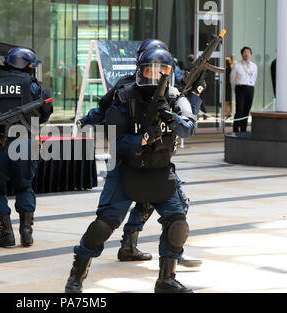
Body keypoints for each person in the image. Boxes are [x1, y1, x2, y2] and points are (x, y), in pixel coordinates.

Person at [66, 47, 206, 294]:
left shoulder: (175, 98)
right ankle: (77, 274)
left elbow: (189, 128)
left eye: (160, 70)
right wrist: (142, 139)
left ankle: (166, 279)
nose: (154, 75)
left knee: (177, 223)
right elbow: (115, 142)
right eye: (149, 69)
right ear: (139, 70)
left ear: (168, 72)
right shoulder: (124, 97)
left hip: (159, 169)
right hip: (125, 169)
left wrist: (170, 118)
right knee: (103, 225)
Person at [0, 47, 53, 248]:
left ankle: (6, 234)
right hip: (25, 142)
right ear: (27, 66)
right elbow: (43, 114)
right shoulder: (32, 85)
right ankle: (26, 233)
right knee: (24, 187)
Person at [230, 47, 258, 133]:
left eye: (248, 52)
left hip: (250, 88)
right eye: (245, 52)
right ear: (242, 54)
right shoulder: (237, 66)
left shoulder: (254, 66)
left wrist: (251, 86)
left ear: (250, 54)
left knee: (247, 110)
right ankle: (236, 128)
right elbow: (232, 79)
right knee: (239, 110)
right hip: (240, 88)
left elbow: (255, 77)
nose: (246, 54)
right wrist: (235, 90)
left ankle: (243, 129)